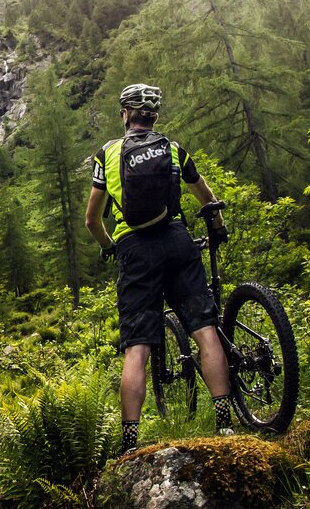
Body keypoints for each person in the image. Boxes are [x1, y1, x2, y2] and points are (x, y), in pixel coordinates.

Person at [84, 83, 234, 453]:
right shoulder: (172, 148)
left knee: (136, 348)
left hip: (135, 250)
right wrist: (216, 226)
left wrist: (110, 247)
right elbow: (207, 198)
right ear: (154, 116)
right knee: (205, 330)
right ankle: (225, 422)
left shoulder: (108, 153)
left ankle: (131, 443)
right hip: (177, 241)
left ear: (125, 115)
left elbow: (91, 219)